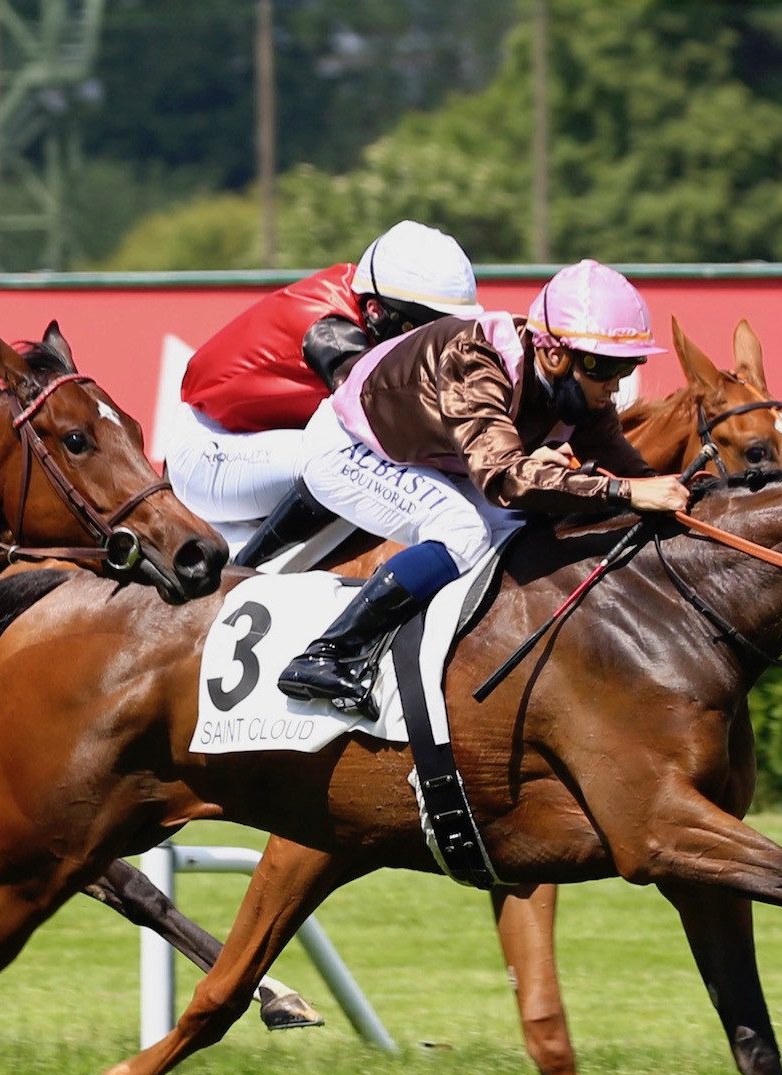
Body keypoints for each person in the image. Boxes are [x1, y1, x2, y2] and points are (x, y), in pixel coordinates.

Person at [276, 258, 691, 717]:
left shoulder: (577, 390)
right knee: (463, 532)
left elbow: (632, 470)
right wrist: (625, 493)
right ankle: (327, 653)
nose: (614, 387)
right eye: (606, 368)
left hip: (432, 456)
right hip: (350, 445)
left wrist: (689, 495)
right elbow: (505, 479)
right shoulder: (475, 360)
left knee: (524, 527)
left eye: (626, 369)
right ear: (556, 355)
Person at [165, 220, 482, 552]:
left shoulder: (374, 297)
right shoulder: (329, 332)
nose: (440, 344)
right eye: (427, 330)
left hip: (259, 438)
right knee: (343, 459)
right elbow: (382, 410)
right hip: (207, 453)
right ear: (375, 310)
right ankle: (243, 567)